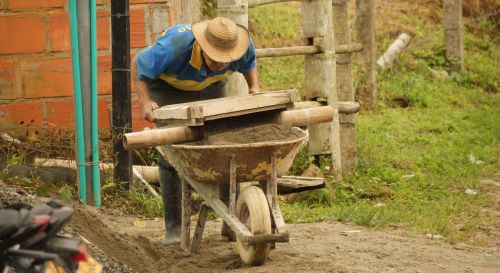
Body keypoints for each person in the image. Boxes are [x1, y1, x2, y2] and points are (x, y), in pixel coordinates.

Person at [131, 17, 260, 245]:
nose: (221, 63)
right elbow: (138, 64)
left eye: (225, 60)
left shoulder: (240, 45)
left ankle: (232, 222)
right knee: (172, 153)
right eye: (216, 58)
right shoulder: (176, 45)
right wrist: (146, 102)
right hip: (169, 89)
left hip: (213, 87)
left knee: (225, 146)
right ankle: (175, 229)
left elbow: (249, 65)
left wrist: (255, 88)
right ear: (202, 46)